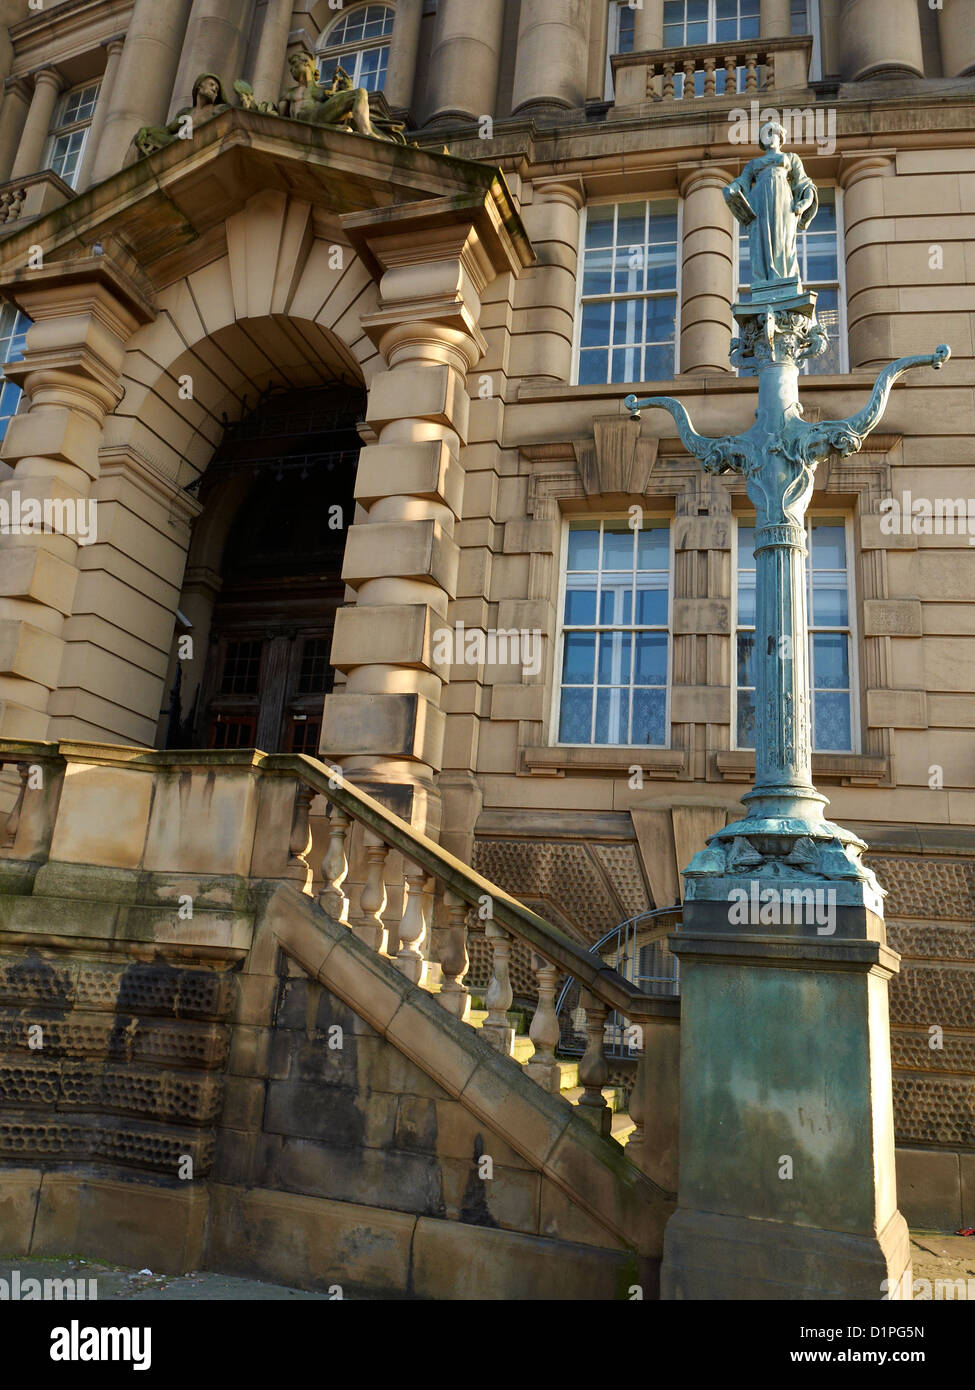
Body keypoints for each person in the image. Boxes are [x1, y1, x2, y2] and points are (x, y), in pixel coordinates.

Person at [724, 120, 818, 291]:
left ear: (780, 136)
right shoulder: (753, 164)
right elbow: (742, 182)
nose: (768, 137)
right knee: (761, 239)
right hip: (759, 202)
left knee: (784, 239)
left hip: (784, 202)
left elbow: (804, 183)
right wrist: (732, 189)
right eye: (764, 134)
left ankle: (786, 280)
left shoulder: (790, 158)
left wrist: (805, 202)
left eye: (771, 132)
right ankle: (763, 282)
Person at [134, 73, 230, 157]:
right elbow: (168, 130)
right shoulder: (187, 113)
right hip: (177, 145)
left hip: (200, 148)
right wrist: (146, 130)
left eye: (217, 90)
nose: (214, 90)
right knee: (149, 138)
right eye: (212, 85)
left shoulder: (218, 110)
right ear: (199, 86)